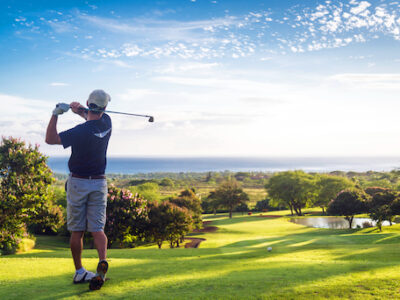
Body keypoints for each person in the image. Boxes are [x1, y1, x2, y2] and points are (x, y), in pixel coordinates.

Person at [45, 89, 112, 291]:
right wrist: (80, 111)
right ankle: (102, 262)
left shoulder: (79, 132)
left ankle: (80, 272)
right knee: (97, 229)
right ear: (105, 108)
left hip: (78, 183)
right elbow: (92, 117)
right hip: (99, 183)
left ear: (88, 103)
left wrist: (56, 114)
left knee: (77, 230)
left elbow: (51, 139)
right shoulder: (107, 122)